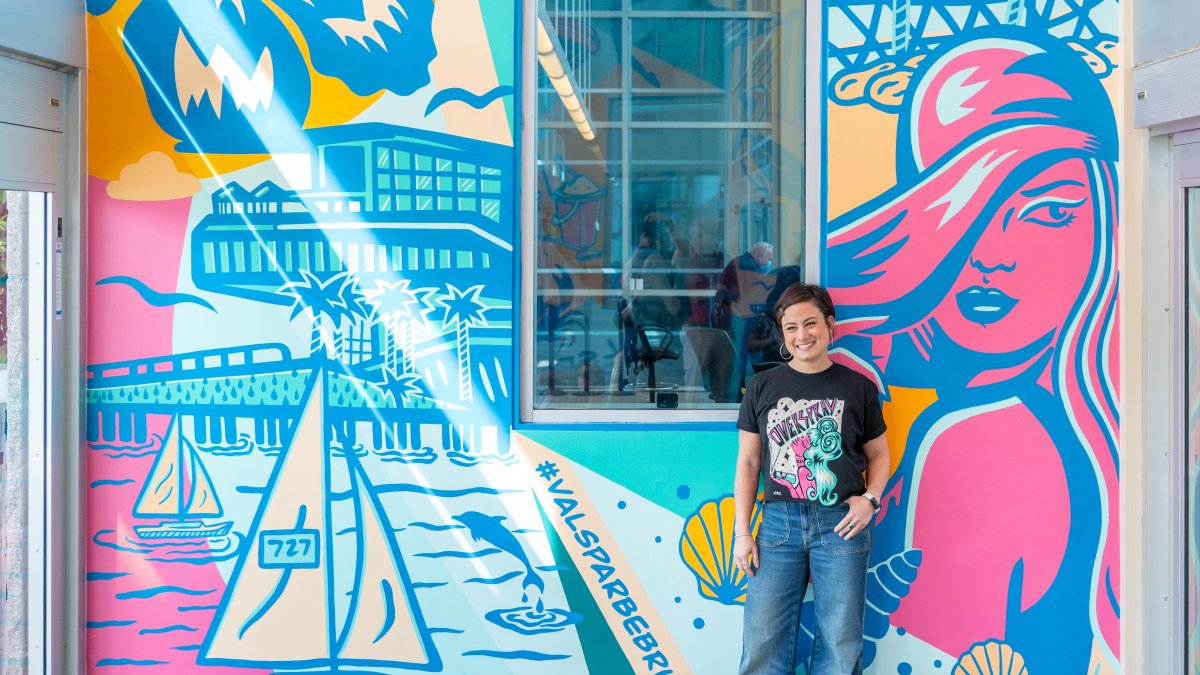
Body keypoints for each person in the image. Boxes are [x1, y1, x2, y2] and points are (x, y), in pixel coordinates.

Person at [825, 29, 1119, 672]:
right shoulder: (1083, 422)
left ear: (1105, 222)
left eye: (1046, 212)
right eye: (966, 212)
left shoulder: (976, 435)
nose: (992, 256)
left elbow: (916, 656)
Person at [733, 282, 890, 675]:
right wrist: (742, 532)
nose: (802, 335)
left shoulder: (858, 388)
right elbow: (749, 463)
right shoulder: (763, 386)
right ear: (783, 334)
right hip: (778, 524)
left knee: (840, 642)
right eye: (791, 327)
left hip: (841, 524)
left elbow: (880, 455)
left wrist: (869, 500)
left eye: (811, 323)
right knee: (762, 638)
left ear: (829, 325)